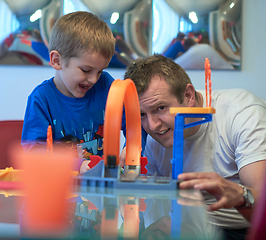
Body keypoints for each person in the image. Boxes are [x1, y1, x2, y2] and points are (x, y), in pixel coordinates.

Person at [123, 54, 266, 240]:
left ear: (188, 95)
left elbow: (262, 209)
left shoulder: (242, 115)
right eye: (142, 114)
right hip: (190, 228)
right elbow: (154, 209)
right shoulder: (153, 140)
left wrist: (240, 197)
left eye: (160, 108)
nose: (152, 126)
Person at [21, 11, 117, 173]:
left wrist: (130, 148)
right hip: (58, 186)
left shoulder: (105, 84)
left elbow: (133, 122)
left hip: (98, 188)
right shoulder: (41, 99)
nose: (94, 79)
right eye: (86, 70)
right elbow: (34, 153)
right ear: (57, 61)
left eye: (100, 71)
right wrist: (77, 166)